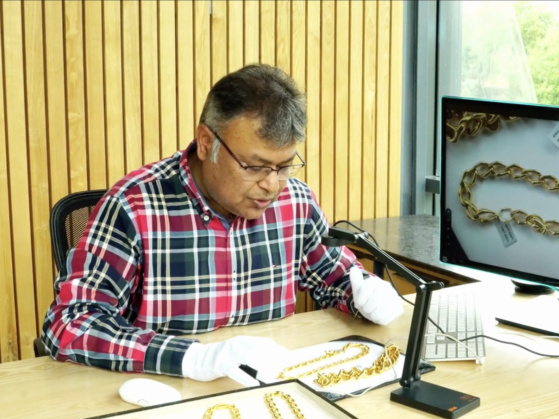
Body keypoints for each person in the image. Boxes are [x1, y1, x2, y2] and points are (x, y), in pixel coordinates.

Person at [41, 64, 404, 386]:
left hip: (270, 392)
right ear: (205, 142)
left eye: (283, 166)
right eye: (254, 166)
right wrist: (192, 358)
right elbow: (70, 324)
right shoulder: (134, 207)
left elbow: (337, 278)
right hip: (168, 394)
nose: (272, 185)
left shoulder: (295, 200)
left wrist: (364, 294)